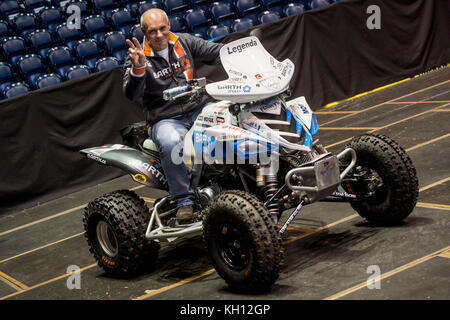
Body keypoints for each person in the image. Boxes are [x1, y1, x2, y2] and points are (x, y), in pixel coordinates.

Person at [123, 9, 223, 224]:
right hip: (165, 119)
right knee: (169, 143)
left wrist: (239, 55)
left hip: (198, 107)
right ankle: (184, 201)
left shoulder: (184, 42)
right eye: (152, 31)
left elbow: (216, 52)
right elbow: (132, 94)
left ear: (169, 25)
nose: (159, 35)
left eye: (162, 28)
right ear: (144, 32)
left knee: (231, 118)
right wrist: (138, 68)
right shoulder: (137, 56)